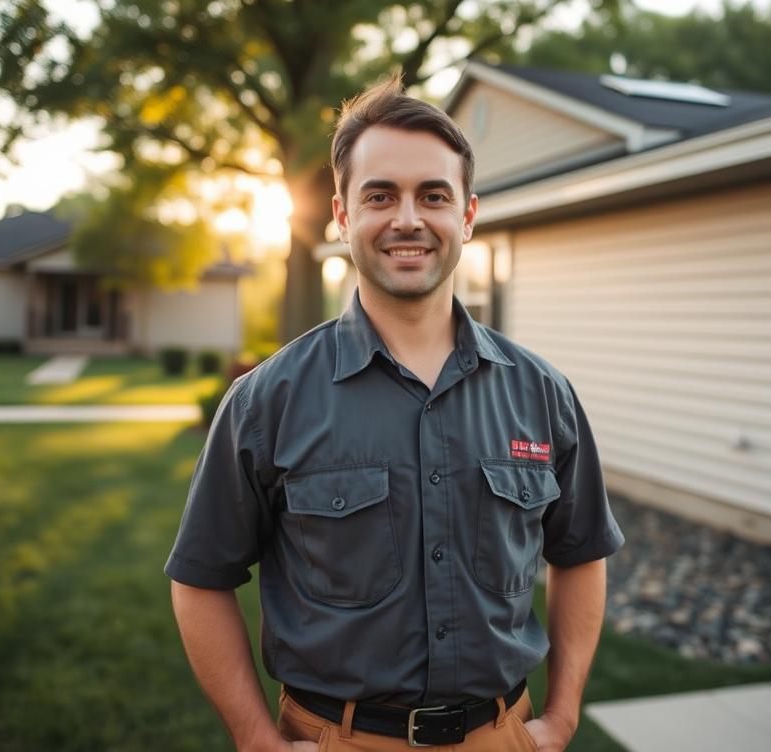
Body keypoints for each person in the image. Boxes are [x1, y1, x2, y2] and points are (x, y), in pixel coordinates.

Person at [165, 74, 624, 752]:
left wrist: (561, 717)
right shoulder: (268, 400)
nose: (408, 218)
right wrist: (255, 739)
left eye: (433, 196)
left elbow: (581, 553)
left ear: (467, 215)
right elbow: (201, 579)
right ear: (342, 215)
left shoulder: (542, 393)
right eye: (380, 195)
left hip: (501, 737)